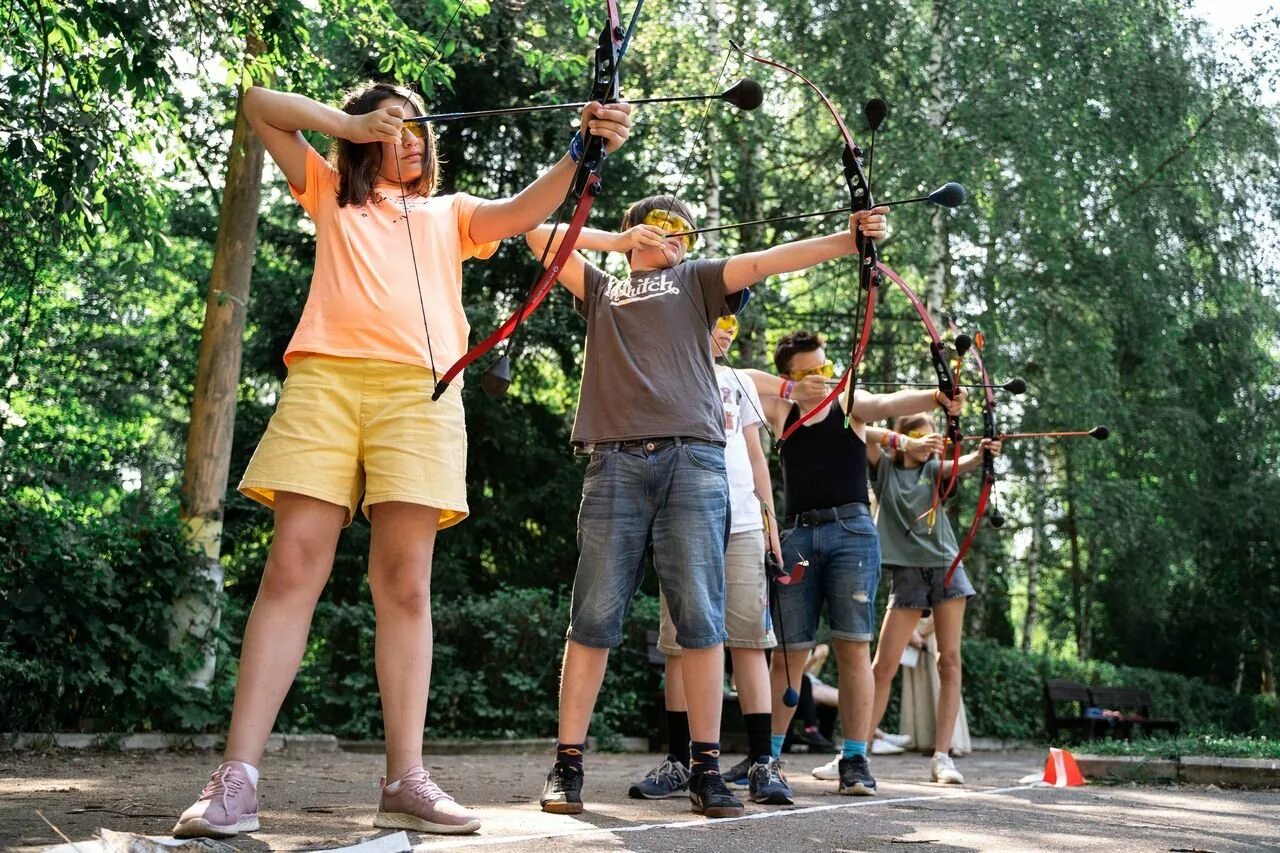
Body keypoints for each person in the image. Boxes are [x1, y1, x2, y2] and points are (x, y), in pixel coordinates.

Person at [171, 81, 634, 839]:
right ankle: (236, 777)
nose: (413, 139)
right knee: (293, 564)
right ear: (365, 137)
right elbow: (258, 104)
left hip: (422, 393)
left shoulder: (450, 213)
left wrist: (582, 148)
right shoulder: (328, 187)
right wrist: (350, 124)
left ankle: (406, 777)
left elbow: (525, 209)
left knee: (406, 585)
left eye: (420, 128)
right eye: (397, 127)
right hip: (324, 381)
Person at [528, 197, 887, 819]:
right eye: (659, 226)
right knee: (592, 615)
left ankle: (705, 769)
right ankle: (567, 765)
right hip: (612, 460)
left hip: (692, 461)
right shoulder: (603, 286)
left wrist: (846, 239)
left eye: (681, 232)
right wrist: (615, 240)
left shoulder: (694, 281)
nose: (670, 238)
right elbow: (534, 231)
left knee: (702, 619)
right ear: (636, 230)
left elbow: (767, 260)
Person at [745, 335, 965, 796]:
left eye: (824, 367)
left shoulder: (849, 403)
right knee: (790, 652)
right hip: (798, 536)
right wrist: (788, 392)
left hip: (853, 533)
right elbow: (739, 380)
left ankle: (855, 759)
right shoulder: (780, 411)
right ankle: (768, 759)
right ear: (788, 377)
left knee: (853, 649)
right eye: (808, 373)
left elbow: (885, 401)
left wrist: (935, 396)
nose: (821, 378)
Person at [629, 304, 793, 807]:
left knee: (749, 640)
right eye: (711, 323)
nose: (721, 332)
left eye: (727, 325)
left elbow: (756, 454)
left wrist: (770, 525)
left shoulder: (737, 380)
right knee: (681, 644)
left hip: (743, 522)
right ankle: (682, 761)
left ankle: (765, 763)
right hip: (684, 519)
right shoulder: (663, 370)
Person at [862, 415, 999, 784]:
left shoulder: (937, 468)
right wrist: (903, 443)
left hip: (945, 568)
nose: (929, 440)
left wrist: (983, 452)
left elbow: (965, 463)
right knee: (882, 666)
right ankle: (856, 755)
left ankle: (942, 758)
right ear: (904, 435)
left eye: (932, 434)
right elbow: (860, 426)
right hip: (906, 574)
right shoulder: (886, 469)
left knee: (949, 662)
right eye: (919, 433)